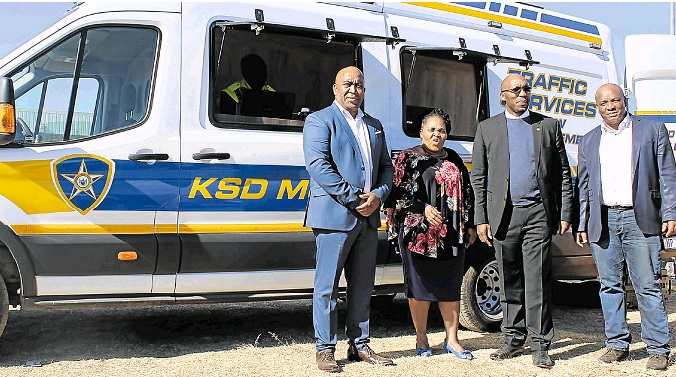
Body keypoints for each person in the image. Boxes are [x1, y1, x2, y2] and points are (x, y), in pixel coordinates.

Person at [470, 73, 573, 369]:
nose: (522, 94)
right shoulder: (487, 128)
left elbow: (562, 174)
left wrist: (565, 213)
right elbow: (479, 179)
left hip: (538, 215)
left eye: (526, 89)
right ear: (503, 95)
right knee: (509, 278)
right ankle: (513, 338)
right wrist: (481, 219)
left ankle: (540, 344)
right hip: (503, 216)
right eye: (515, 90)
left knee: (538, 280)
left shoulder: (548, 126)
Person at [575, 83, 675, 371]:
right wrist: (582, 222)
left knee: (647, 285)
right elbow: (584, 186)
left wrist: (670, 214)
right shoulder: (589, 140)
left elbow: (668, 176)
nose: (610, 106)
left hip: (639, 218)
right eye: (604, 103)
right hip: (603, 220)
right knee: (609, 286)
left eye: (615, 100)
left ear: (624, 100)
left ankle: (657, 347)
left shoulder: (651, 131)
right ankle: (617, 343)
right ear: (597, 107)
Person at [303, 66, 395, 373]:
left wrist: (379, 195)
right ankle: (325, 348)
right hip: (334, 216)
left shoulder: (375, 125)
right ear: (335, 88)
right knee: (327, 287)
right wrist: (355, 199)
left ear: (365, 91)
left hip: (368, 219)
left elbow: (386, 169)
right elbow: (318, 165)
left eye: (359, 84)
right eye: (347, 84)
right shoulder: (319, 120)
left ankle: (360, 344)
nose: (353, 89)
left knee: (362, 286)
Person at [384, 108, 476, 359]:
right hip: (418, 236)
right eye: (432, 129)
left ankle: (453, 339)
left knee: (450, 286)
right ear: (422, 132)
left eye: (442, 130)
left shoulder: (455, 158)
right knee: (419, 288)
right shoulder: (407, 158)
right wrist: (422, 209)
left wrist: (470, 225)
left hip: (451, 234)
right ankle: (422, 339)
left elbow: (468, 193)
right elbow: (394, 195)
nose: (437, 134)